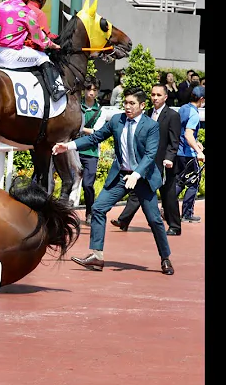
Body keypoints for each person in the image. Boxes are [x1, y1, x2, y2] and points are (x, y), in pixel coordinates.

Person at [51, 86, 174, 276]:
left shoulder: (151, 126)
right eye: (125, 102)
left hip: (143, 178)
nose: (127, 106)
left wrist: (136, 175)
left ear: (142, 105)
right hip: (121, 176)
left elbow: (150, 155)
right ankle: (97, 256)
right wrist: (68, 146)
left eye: (132, 103)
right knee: (99, 208)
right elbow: (96, 138)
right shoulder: (117, 120)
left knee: (154, 220)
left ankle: (165, 258)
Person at [111, 83, 183, 235]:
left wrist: (169, 158)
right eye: (153, 94)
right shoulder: (147, 113)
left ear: (165, 97)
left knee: (167, 194)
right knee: (136, 191)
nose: (155, 97)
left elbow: (174, 140)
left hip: (164, 162)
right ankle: (124, 220)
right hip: (146, 161)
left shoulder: (172, 115)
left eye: (158, 95)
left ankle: (175, 226)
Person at [0, 0, 65, 101]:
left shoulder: (0, 5)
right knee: (43, 58)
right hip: (10, 54)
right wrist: (53, 45)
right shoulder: (28, 12)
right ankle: (55, 90)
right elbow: (38, 37)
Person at [175, 84, 205, 223]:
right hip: (188, 153)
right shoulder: (194, 113)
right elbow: (188, 134)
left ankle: (166, 207)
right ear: (202, 99)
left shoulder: (183, 108)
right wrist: (199, 151)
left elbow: (182, 131)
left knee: (180, 181)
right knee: (193, 183)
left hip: (178, 152)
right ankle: (187, 213)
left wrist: (196, 141)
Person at [77, 75, 105, 224]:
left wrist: (80, 128)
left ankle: (90, 211)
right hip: (73, 150)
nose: (91, 93)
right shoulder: (75, 104)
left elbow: (98, 132)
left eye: (94, 90)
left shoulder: (100, 110)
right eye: (88, 89)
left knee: (88, 184)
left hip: (91, 153)